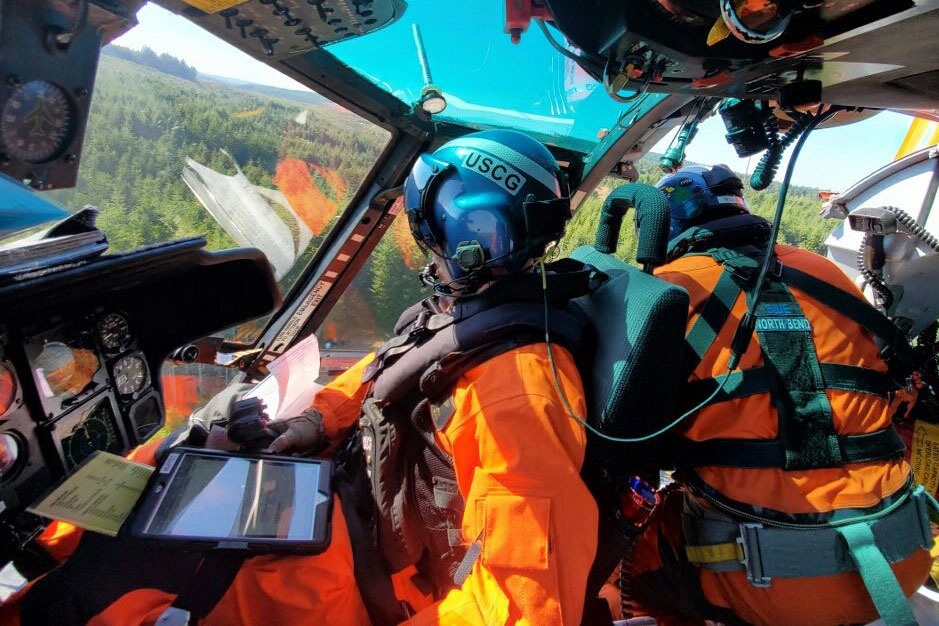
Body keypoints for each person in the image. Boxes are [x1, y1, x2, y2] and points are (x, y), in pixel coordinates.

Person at [0, 130, 606, 625]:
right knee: (174, 468)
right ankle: (43, 538)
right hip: (342, 502)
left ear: (456, 224)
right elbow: (381, 379)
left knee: (101, 595)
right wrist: (311, 422)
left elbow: (530, 606)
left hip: (365, 576)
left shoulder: (520, 390)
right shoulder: (459, 315)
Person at [624, 165, 933, 626]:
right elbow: (895, 392)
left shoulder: (670, 288)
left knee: (635, 553)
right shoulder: (825, 272)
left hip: (764, 583)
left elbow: (628, 434)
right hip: (899, 556)